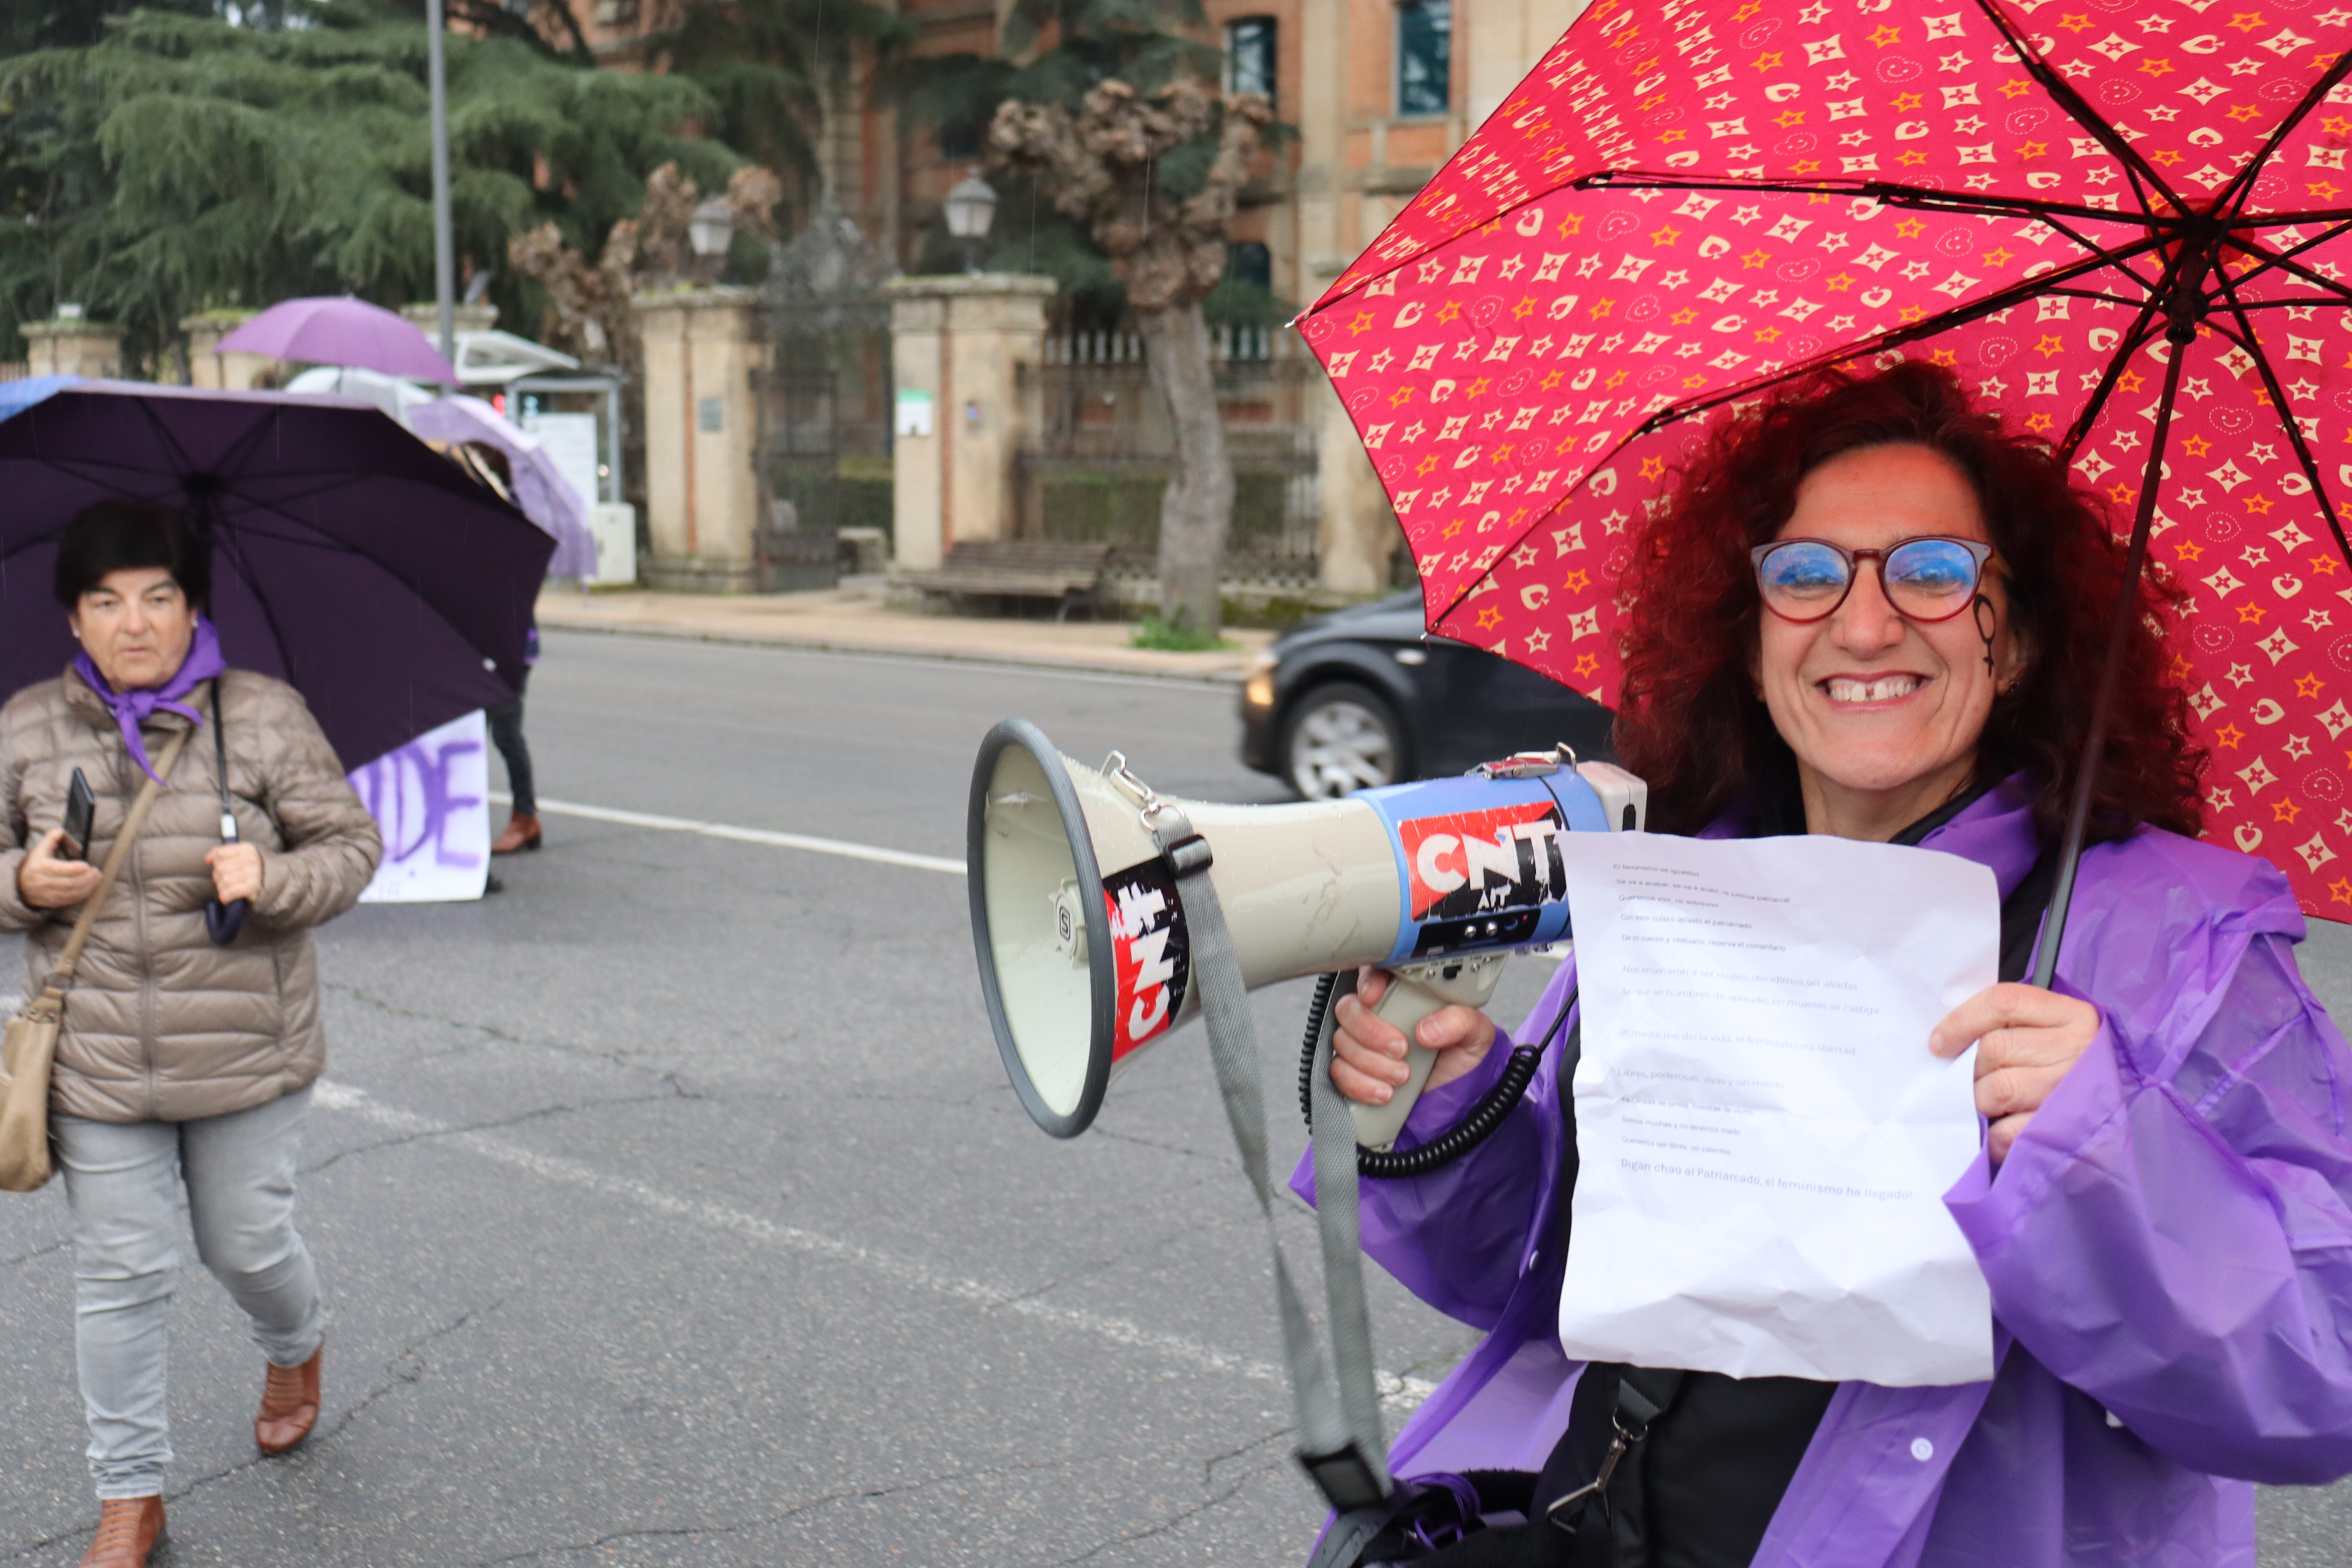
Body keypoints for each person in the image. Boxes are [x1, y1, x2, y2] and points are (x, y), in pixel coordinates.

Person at [1311, 361, 2352, 1565]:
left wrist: (2105, 1153)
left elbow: (2312, 1379)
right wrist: (1461, 1106)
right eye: (1803, 575)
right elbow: (1547, 1283)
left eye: (1930, 570)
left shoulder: (2185, 940)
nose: (1863, 624)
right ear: (1750, 640)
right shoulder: (1678, 891)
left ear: (2007, 639)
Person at [0, 501, 382, 1567]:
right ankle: (130, 1498)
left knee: (245, 1246)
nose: (135, 623)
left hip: (247, 1055)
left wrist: (276, 878)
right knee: (120, 1273)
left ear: (193, 605)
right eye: (107, 601)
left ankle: (294, 1344)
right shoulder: (27, 727)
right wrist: (23, 882)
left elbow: (351, 844)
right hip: (97, 1062)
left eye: (159, 597)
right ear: (74, 619)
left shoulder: (259, 715)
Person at [451, 441, 544, 855]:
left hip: (504, 646)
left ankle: (524, 818)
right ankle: (523, 817)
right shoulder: (491, 519)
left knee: (501, 733)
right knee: (494, 733)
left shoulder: (500, 523)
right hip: (493, 644)